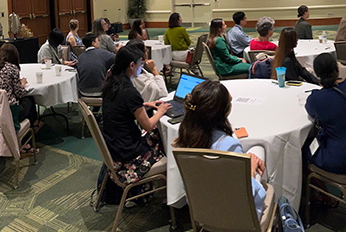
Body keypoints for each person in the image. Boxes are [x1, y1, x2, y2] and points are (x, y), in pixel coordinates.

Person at [174, 80, 267, 217]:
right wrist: (251, 170)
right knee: (258, 150)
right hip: (239, 217)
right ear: (224, 111)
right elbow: (244, 193)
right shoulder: (230, 146)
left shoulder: (186, 137)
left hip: (202, 213)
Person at [102, 45, 170, 185]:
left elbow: (120, 107)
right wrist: (161, 110)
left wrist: (144, 104)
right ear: (132, 65)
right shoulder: (129, 91)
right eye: (141, 63)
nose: (142, 67)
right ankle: (168, 194)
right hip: (129, 156)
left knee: (158, 135)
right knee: (162, 137)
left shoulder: (111, 83)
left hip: (115, 147)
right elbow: (148, 125)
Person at [0, 43, 38, 135]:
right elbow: (19, 93)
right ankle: (29, 133)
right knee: (30, 100)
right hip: (8, 112)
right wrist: (22, 84)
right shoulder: (12, 68)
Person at [76, 32, 116, 97]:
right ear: (93, 43)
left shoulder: (80, 57)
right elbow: (118, 59)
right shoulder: (103, 53)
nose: (99, 43)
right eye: (98, 41)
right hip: (100, 90)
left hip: (83, 91)